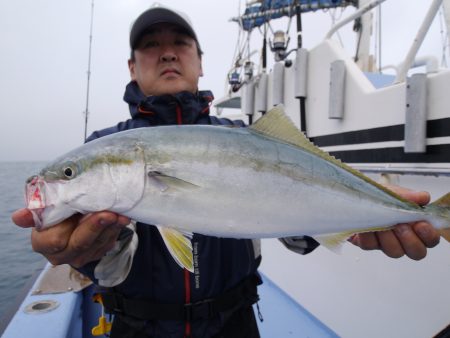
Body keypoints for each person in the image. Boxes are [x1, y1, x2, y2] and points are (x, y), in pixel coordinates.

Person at [12, 3, 441, 338]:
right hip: (137, 327)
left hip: (234, 324)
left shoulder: (248, 136)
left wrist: (352, 221)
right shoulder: (103, 144)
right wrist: (81, 253)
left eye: (180, 43)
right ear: (132, 67)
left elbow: (286, 218)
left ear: (200, 62)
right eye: (150, 46)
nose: (166, 52)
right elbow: (96, 259)